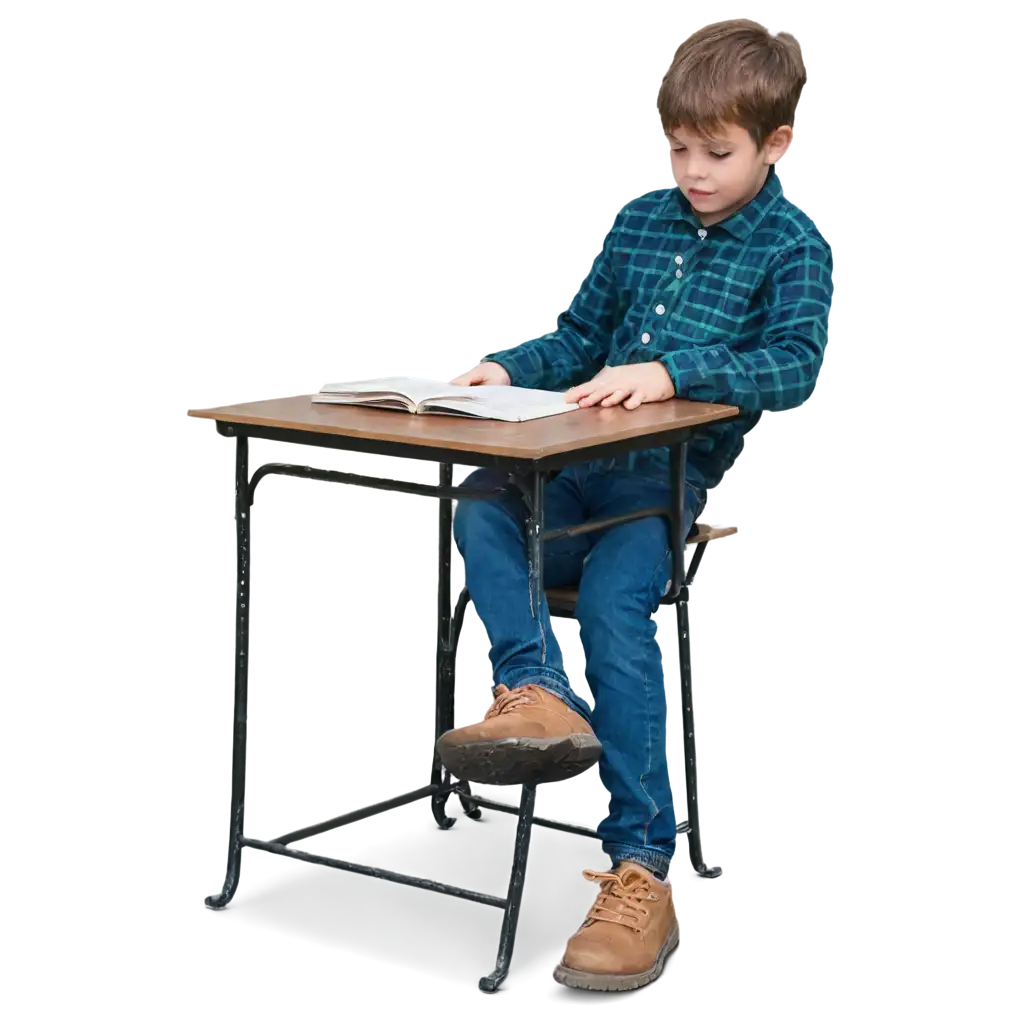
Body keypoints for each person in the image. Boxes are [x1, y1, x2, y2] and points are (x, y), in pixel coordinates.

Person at [437, 15, 833, 993]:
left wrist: (672, 371)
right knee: (478, 492)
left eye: (715, 152)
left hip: (658, 488)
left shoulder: (792, 247)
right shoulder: (636, 220)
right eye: (676, 148)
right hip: (569, 470)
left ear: (774, 144)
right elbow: (574, 337)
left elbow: (794, 364)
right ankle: (534, 691)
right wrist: (504, 368)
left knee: (619, 608)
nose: (690, 170)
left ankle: (641, 867)